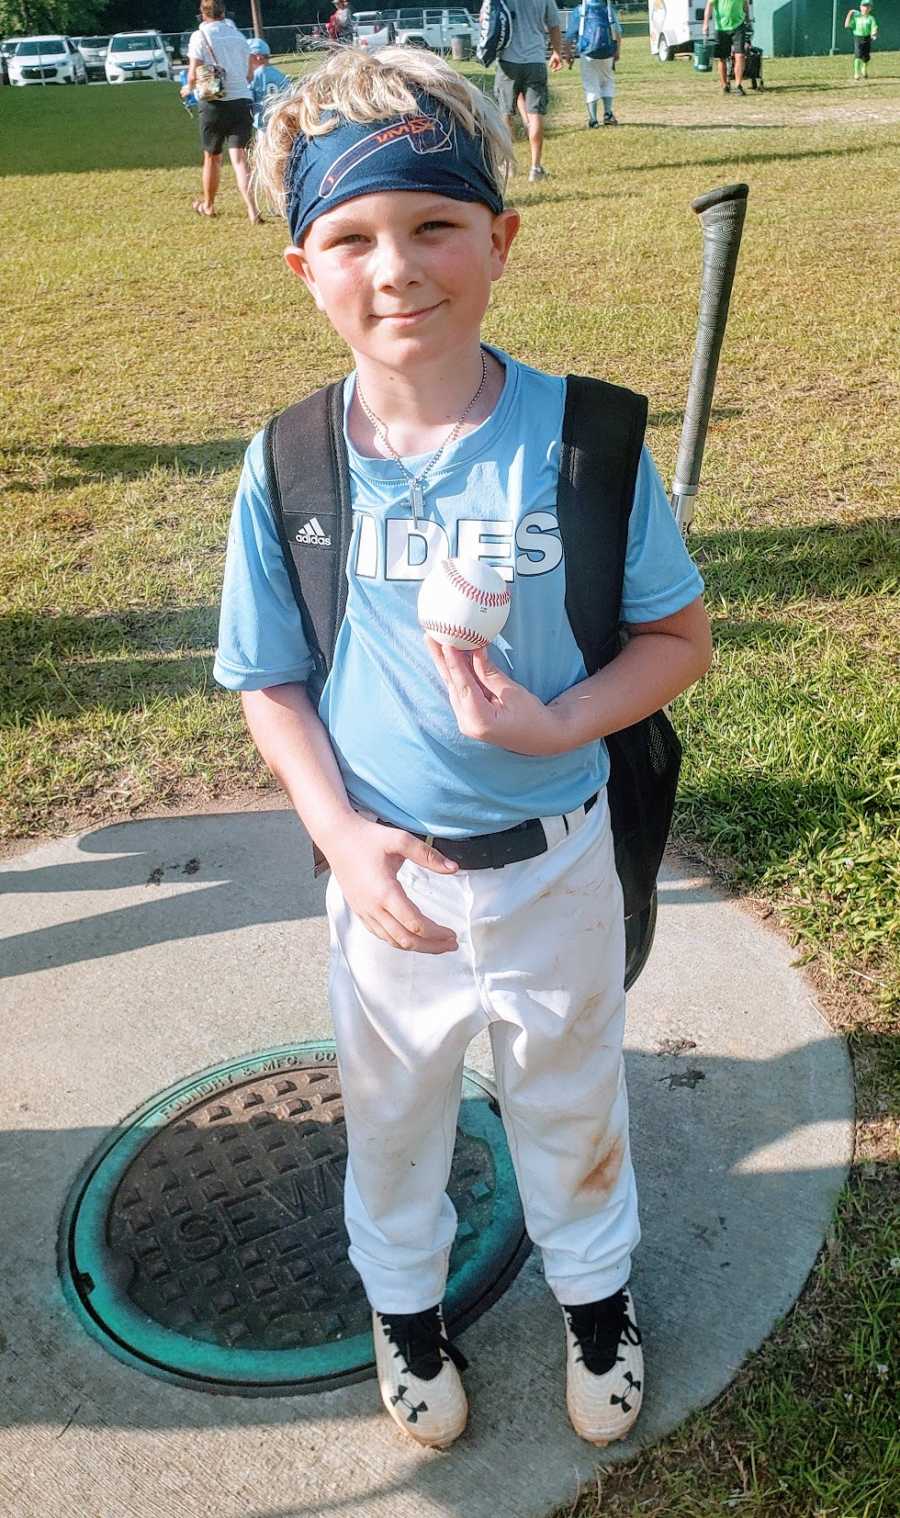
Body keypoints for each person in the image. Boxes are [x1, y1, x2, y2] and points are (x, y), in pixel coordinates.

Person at [216, 43, 711, 1451]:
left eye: (435, 225)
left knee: (572, 1095)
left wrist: (559, 720)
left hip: (554, 856)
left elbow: (678, 643)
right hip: (392, 878)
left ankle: (598, 1297)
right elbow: (269, 681)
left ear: (499, 237)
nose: (399, 267)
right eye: (353, 237)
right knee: (392, 1114)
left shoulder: (588, 440)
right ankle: (405, 1308)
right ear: (303, 266)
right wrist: (341, 834)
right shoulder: (296, 463)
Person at [184, 0, 262, 222]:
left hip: (214, 103)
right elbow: (249, 75)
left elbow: (193, 75)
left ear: (202, 14)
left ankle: (208, 206)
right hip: (242, 101)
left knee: (212, 157)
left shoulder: (199, 37)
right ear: (224, 12)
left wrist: (186, 89)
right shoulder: (238, 36)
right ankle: (252, 210)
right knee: (240, 161)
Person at [494, 0, 564, 182]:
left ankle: (508, 166)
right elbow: (554, 25)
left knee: (505, 114)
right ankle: (535, 167)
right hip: (535, 60)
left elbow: (489, 18)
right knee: (535, 115)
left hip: (508, 60)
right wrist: (557, 52)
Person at [565, 1, 623, 128]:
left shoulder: (580, 10)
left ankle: (593, 119)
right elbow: (617, 31)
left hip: (587, 53)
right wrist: (617, 50)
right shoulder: (608, 9)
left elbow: (569, 35)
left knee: (590, 84)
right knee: (607, 81)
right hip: (607, 51)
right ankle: (608, 114)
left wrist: (568, 53)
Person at [703, 0, 750, 95]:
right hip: (721, 28)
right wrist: (705, 23)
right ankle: (724, 85)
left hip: (738, 26)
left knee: (740, 55)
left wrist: (748, 19)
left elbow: (745, 4)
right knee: (722, 58)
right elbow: (709, 5)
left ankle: (738, 85)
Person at [248, 38, 290, 131]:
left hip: (262, 123)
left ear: (258, 57)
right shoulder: (280, 75)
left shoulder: (254, 76)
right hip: (280, 121)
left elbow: (248, 99)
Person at [845, 3, 878, 80]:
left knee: (866, 56)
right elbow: (846, 25)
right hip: (858, 38)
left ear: (870, 9)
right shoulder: (856, 17)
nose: (865, 8)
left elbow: (874, 27)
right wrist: (849, 14)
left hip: (867, 38)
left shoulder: (871, 18)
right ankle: (856, 73)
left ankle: (864, 69)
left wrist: (874, 34)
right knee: (858, 55)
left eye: (868, 6)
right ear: (860, 7)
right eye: (864, 6)